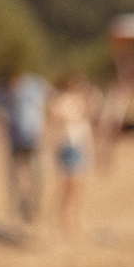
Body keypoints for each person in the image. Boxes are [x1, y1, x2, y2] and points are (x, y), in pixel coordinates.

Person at [0, 70, 49, 226]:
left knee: (36, 175)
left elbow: (48, 105)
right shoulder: (1, 91)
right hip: (14, 140)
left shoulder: (36, 86)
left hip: (33, 140)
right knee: (15, 176)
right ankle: (18, 205)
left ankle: (32, 204)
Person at [50, 74, 95, 236]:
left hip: (80, 146)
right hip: (68, 146)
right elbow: (58, 115)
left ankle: (75, 219)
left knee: (78, 188)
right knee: (68, 187)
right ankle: (65, 220)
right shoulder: (63, 101)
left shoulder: (82, 102)